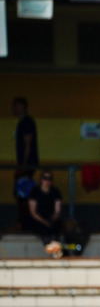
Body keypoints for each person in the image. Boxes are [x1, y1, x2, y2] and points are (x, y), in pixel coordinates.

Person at [13, 97, 39, 231]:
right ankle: (24, 223)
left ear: (23, 107)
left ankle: (23, 223)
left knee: (22, 194)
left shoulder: (27, 122)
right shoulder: (23, 122)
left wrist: (23, 164)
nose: (15, 109)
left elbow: (28, 143)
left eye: (17, 106)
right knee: (22, 193)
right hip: (26, 164)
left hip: (27, 165)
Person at [26, 170, 63, 258]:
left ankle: (55, 248)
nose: (47, 181)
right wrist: (44, 221)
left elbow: (57, 211)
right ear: (41, 179)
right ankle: (51, 249)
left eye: (50, 178)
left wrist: (52, 219)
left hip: (50, 219)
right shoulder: (34, 192)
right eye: (45, 178)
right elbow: (33, 212)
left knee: (56, 226)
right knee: (42, 228)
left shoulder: (55, 192)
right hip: (38, 219)